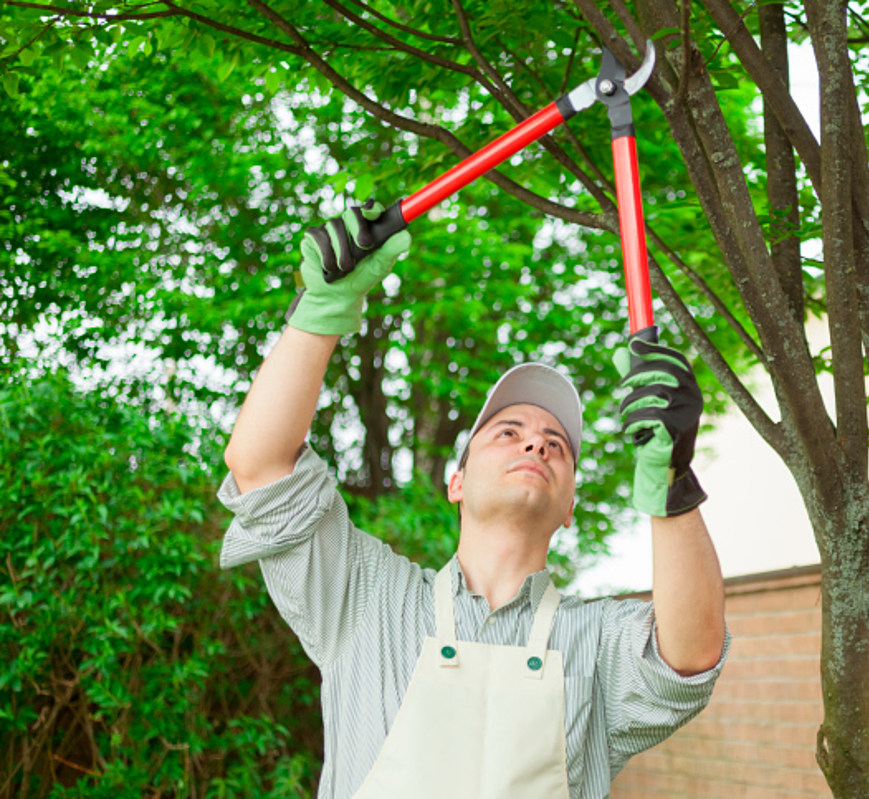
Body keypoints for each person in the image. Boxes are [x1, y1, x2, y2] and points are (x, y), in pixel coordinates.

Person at [217, 202, 729, 799]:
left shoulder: (597, 643)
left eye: (556, 444)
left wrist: (672, 484)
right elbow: (261, 468)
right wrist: (319, 315)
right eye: (507, 432)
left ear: (569, 509)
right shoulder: (367, 599)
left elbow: (689, 656)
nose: (536, 440)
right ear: (456, 483)